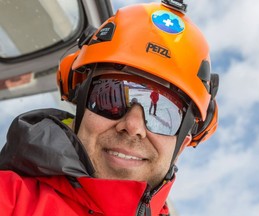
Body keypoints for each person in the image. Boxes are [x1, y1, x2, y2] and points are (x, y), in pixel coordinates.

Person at [0, 0, 219, 215]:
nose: (133, 126)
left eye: (164, 114)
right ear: (81, 107)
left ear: (181, 146)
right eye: (111, 97)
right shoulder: (11, 199)